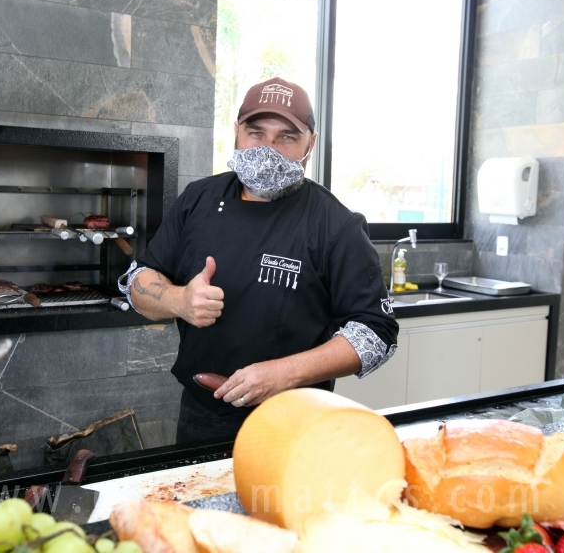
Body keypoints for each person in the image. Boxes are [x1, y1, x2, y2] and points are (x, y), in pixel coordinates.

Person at [118, 77, 398, 444]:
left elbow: (376, 333)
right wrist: (179, 301)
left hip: (296, 425)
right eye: (256, 132)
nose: (268, 148)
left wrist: (285, 373)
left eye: (286, 136)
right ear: (236, 132)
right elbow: (139, 283)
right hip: (202, 418)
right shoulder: (197, 199)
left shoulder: (335, 225)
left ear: (310, 144)